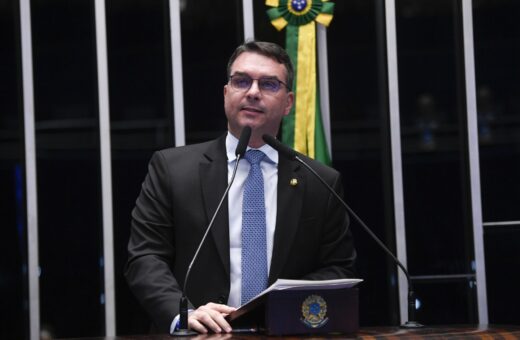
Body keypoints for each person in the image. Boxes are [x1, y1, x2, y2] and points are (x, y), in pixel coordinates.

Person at [125, 40, 356, 334]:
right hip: (199, 334)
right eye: (241, 81)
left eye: (269, 84)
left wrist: (278, 307)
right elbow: (145, 258)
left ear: (288, 103)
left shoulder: (320, 180)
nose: (253, 92)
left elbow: (339, 268)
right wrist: (183, 313)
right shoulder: (172, 170)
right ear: (226, 94)